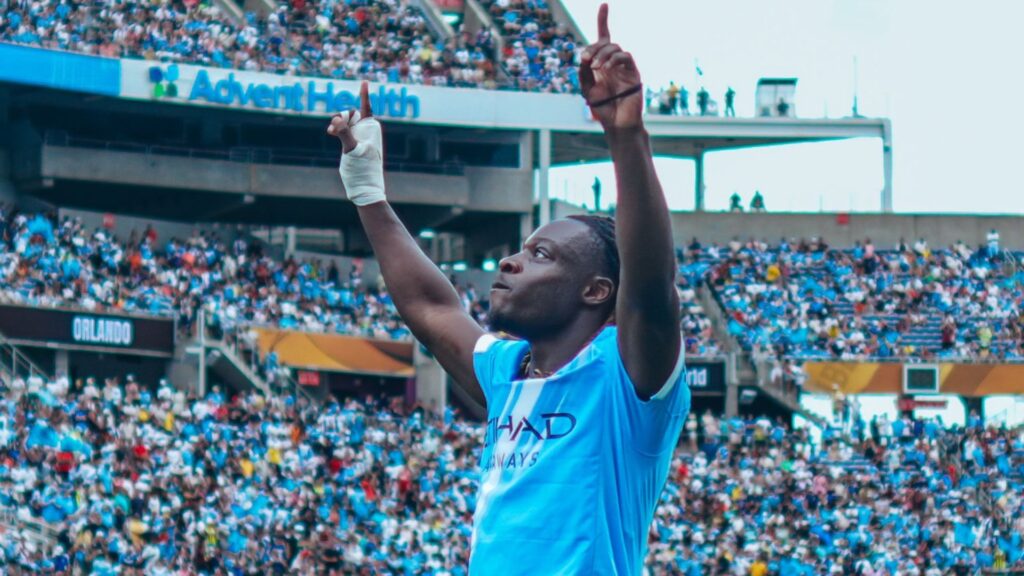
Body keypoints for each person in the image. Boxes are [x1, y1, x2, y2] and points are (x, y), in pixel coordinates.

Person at [326, 4, 689, 575]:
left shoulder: (626, 378)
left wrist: (626, 136)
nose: (510, 261)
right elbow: (429, 305)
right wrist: (367, 189)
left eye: (540, 255)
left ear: (596, 292)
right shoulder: (508, 371)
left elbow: (649, 290)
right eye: (521, 249)